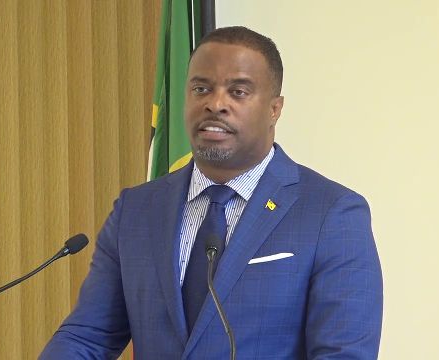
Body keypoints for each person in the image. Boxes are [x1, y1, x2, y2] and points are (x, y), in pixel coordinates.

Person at [40, 26, 382, 359]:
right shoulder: (137, 210)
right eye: (201, 89)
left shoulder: (331, 213)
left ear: (274, 109)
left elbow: (344, 353)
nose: (215, 104)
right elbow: (88, 336)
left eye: (238, 92)